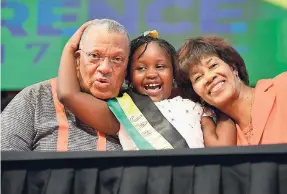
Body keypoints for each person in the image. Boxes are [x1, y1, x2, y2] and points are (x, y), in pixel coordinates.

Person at [58, 26, 236, 149]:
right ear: (128, 77)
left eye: (160, 66)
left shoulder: (194, 108)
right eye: (141, 68)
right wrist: (70, 47)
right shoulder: (123, 111)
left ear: (174, 73)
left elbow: (222, 150)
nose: (151, 74)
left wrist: (218, 106)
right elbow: (68, 94)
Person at [1, 19, 130, 151]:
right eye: (95, 56)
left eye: (117, 59)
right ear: (77, 59)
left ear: (127, 69)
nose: (105, 68)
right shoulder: (35, 98)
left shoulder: (136, 110)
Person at [176, 36, 287, 146]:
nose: (209, 77)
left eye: (213, 65)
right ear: (197, 94)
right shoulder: (225, 141)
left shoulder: (282, 87)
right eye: (198, 77)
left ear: (233, 67)